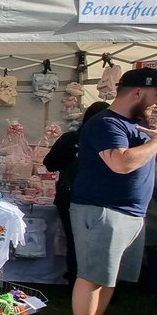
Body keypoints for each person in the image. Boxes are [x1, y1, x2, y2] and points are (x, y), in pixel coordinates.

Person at [65, 67, 157, 315]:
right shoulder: (107, 123)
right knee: (92, 276)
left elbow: (150, 168)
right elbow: (121, 163)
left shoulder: (139, 126)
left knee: (109, 278)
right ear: (138, 92)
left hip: (131, 213)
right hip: (102, 210)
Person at [43, 101, 110, 282]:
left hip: (71, 197)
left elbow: (49, 164)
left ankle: (76, 279)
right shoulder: (112, 142)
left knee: (75, 241)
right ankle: (100, 281)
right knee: (102, 243)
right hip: (101, 199)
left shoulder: (71, 138)